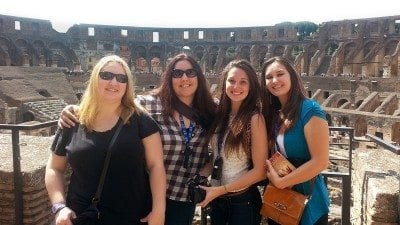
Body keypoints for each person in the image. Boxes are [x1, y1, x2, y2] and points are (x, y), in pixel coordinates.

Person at [57, 53, 217, 225]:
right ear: (169, 78)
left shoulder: (211, 110)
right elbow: (112, 101)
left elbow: (220, 151)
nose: (184, 78)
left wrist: (203, 174)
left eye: (190, 72)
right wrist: (75, 109)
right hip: (150, 193)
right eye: (177, 73)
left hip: (184, 194)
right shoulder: (150, 104)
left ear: (199, 76)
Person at [45, 55, 166, 225]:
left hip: (132, 216)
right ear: (95, 78)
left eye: (121, 78)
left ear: (127, 85)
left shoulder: (141, 120)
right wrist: (59, 207)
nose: (114, 83)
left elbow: (156, 166)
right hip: (82, 215)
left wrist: (159, 211)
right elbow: (54, 168)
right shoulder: (72, 120)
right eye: (106, 75)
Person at [260, 56, 330, 225]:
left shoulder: (310, 109)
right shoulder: (277, 113)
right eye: (269, 77)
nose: (274, 80)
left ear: (292, 75)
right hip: (281, 198)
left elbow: (321, 162)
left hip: (307, 199)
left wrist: (282, 182)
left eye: (280, 74)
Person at [198, 60, 268, 225]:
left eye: (243, 82)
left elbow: (260, 171)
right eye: (231, 81)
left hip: (242, 201)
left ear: (251, 87)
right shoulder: (219, 115)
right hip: (218, 199)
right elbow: (216, 157)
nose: (236, 86)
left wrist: (219, 190)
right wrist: (199, 176)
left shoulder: (254, 119)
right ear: (224, 83)